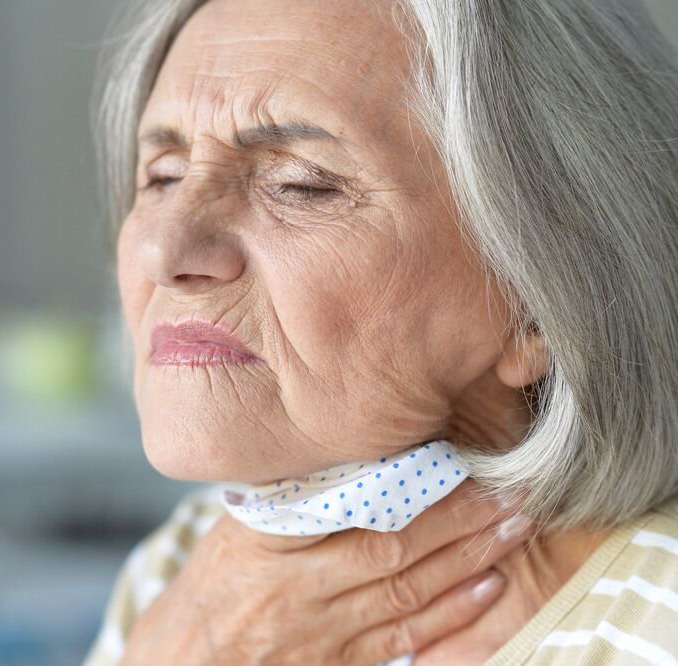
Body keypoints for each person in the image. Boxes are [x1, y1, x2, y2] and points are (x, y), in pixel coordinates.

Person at [85, 0, 678, 663]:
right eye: (162, 176)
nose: (163, 250)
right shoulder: (186, 573)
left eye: (300, 185)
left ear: (541, 298)